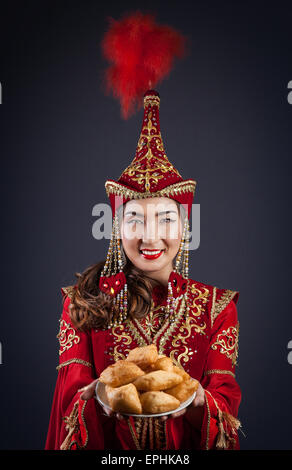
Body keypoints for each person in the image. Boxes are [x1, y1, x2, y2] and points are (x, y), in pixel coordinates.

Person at [45, 88, 241, 451]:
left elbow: (226, 412)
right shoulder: (80, 304)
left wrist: (199, 401)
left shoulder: (217, 309)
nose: (150, 236)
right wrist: (95, 400)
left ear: (185, 227)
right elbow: (70, 407)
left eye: (166, 219)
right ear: (117, 227)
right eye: (135, 219)